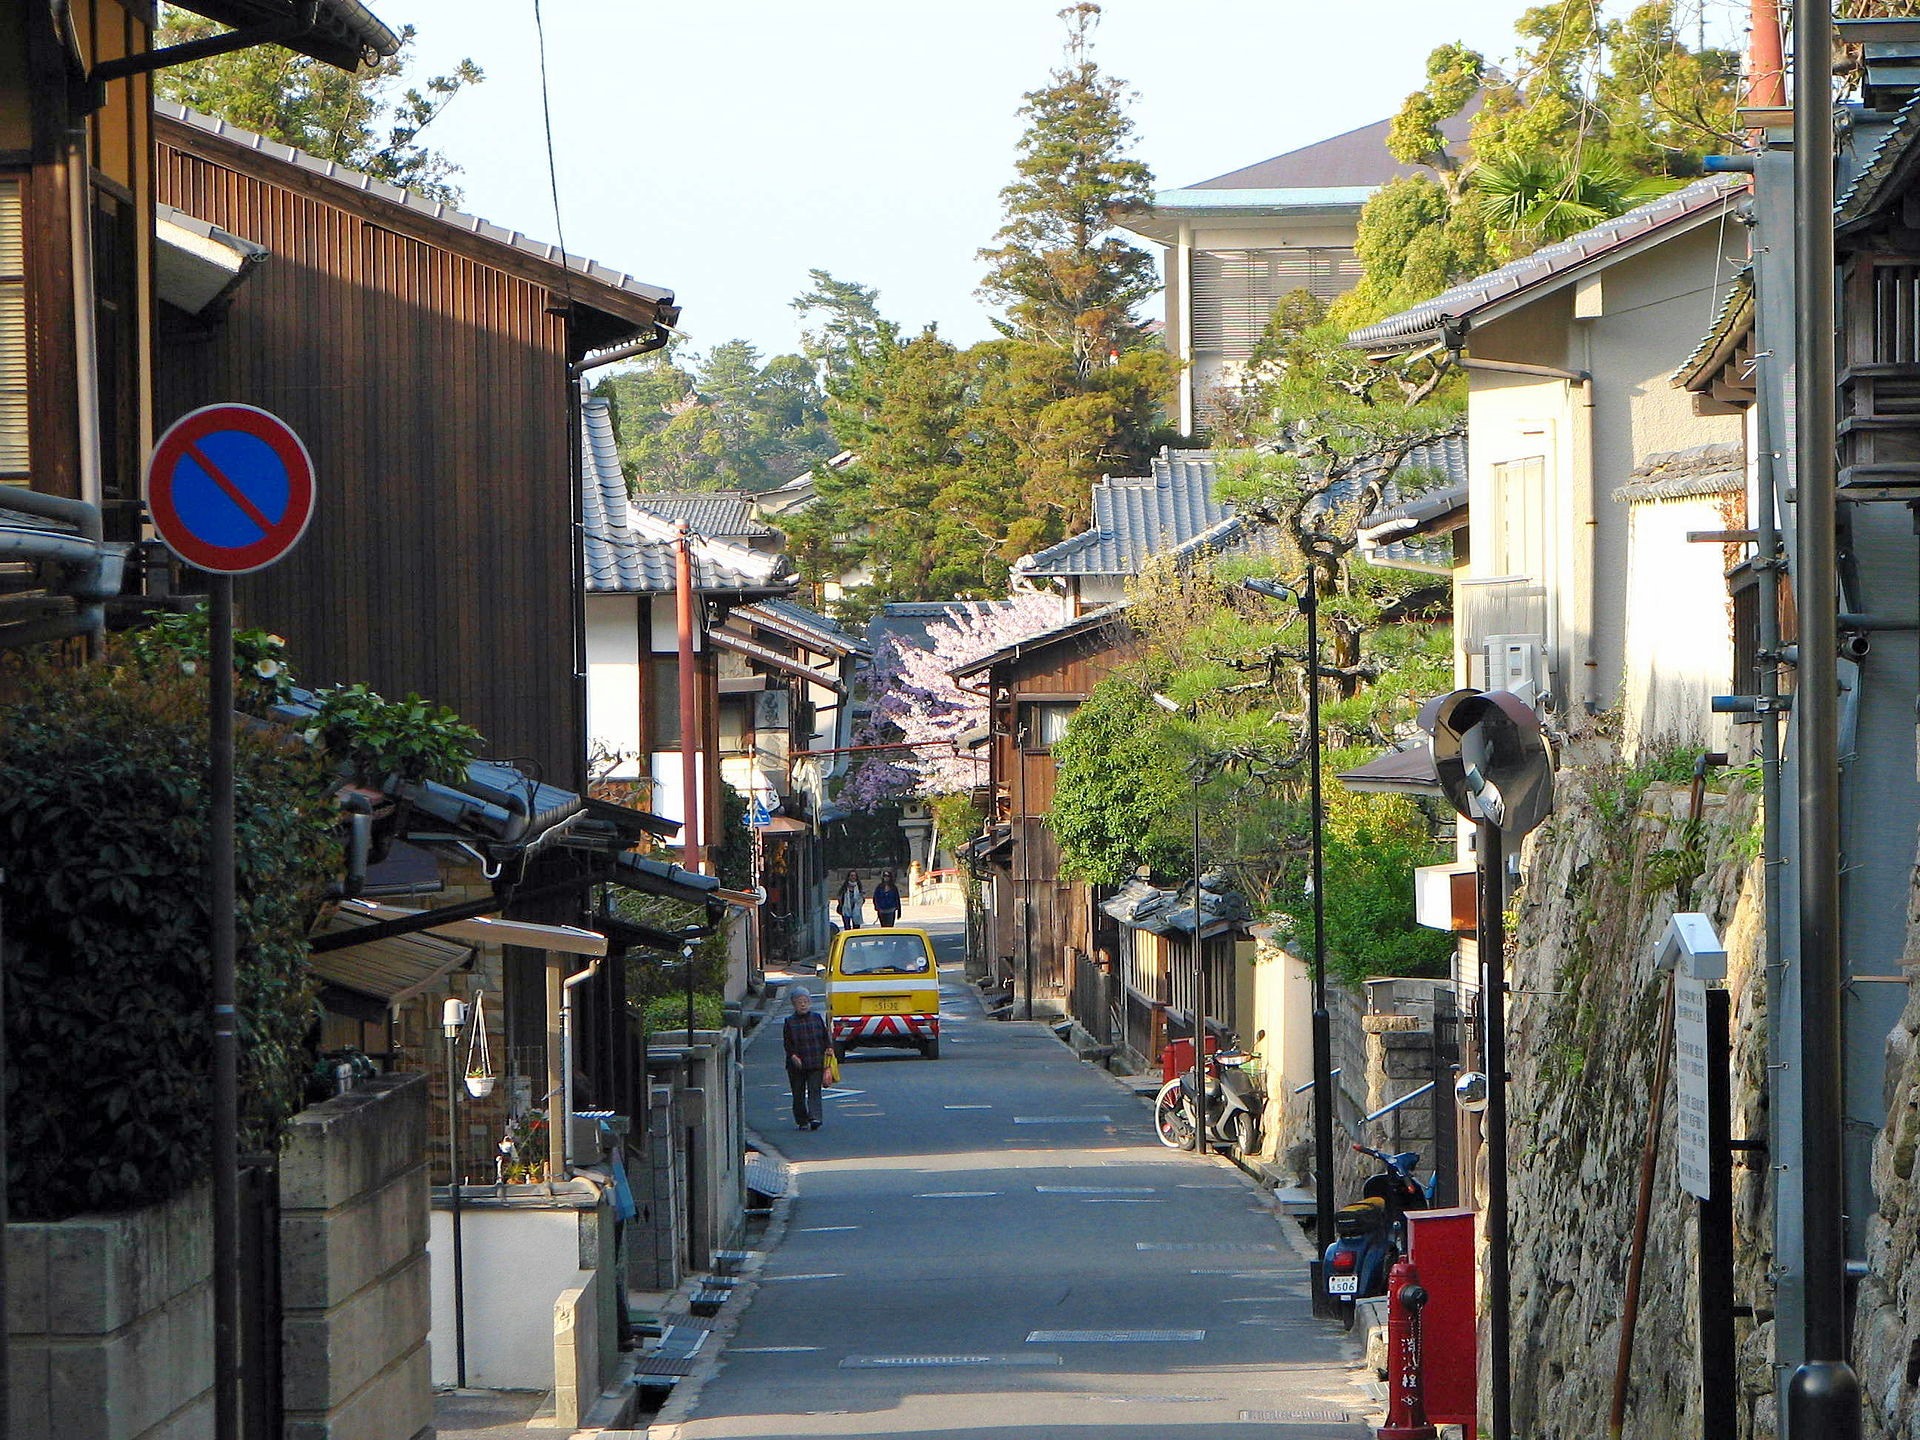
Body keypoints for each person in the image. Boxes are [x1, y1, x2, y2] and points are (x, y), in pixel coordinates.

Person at [783, 988, 830, 1131]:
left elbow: (825, 1037)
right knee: (798, 1093)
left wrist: (829, 1048)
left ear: (810, 1002)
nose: (803, 1005)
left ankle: (815, 1117)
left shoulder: (816, 1018)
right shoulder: (789, 1022)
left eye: (805, 1001)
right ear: (793, 1004)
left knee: (814, 1090)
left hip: (816, 1061)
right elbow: (787, 1043)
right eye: (799, 1002)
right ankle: (801, 1119)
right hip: (797, 1064)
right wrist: (793, 1056)